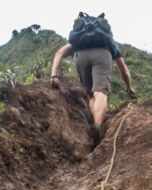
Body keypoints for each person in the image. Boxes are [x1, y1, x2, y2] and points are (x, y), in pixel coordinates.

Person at [51, 12, 136, 144]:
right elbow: (123, 68)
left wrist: (54, 75)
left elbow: (59, 53)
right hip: (103, 55)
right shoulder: (108, 42)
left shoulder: (78, 41)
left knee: (91, 95)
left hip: (80, 56)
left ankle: (93, 123)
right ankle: (97, 126)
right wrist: (129, 87)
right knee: (100, 91)